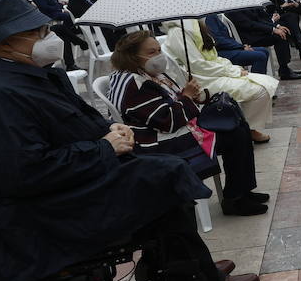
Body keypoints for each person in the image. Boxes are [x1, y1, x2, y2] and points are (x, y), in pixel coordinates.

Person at [0, 0, 259, 281]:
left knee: (161, 172)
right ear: (4, 43)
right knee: (164, 175)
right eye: (38, 33)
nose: (50, 38)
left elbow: (75, 122)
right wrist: (103, 148)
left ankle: (186, 268)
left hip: (72, 182)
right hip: (44, 210)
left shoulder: (32, 78)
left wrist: (110, 129)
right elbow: (22, 173)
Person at [108, 31, 269, 216]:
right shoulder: (136, 83)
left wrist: (191, 94)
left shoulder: (146, 73)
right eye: (152, 52)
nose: (159, 56)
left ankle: (243, 191)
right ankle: (235, 198)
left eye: (159, 50)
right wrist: (187, 97)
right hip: (156, 141)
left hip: (169, 127)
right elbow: (166, 121)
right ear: (132, 56)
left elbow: (172, 100)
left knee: (238, 124)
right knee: (234, 134)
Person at [162, 19, 278, 144]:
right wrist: (233, 72)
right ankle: (248, 130)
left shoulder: (195, 26)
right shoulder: (178, 33)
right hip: (203, 82)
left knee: (266, 82)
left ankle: (245, 127)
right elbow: (197, 66)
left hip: (212, 75)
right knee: (260, 90)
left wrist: (233, 69)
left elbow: (213, 58)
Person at [31, 0, 80, 70]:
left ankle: (74, 39)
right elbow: (44, 7)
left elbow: (54, 3)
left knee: (63, 33)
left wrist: (61, 6)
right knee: (64, 22)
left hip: (46, 21)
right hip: (46, 17)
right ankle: (76, 38)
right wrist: (59, 9)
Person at [204, 12, 270, 74]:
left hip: (228, 48)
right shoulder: (209, 17)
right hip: (221, 52)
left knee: (264, 51)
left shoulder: (213, 15)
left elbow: (226, 39)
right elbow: (219, 40)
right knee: (260, 56)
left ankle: (260, 81)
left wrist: (241, 46)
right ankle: (257, 83)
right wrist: (241, 47)